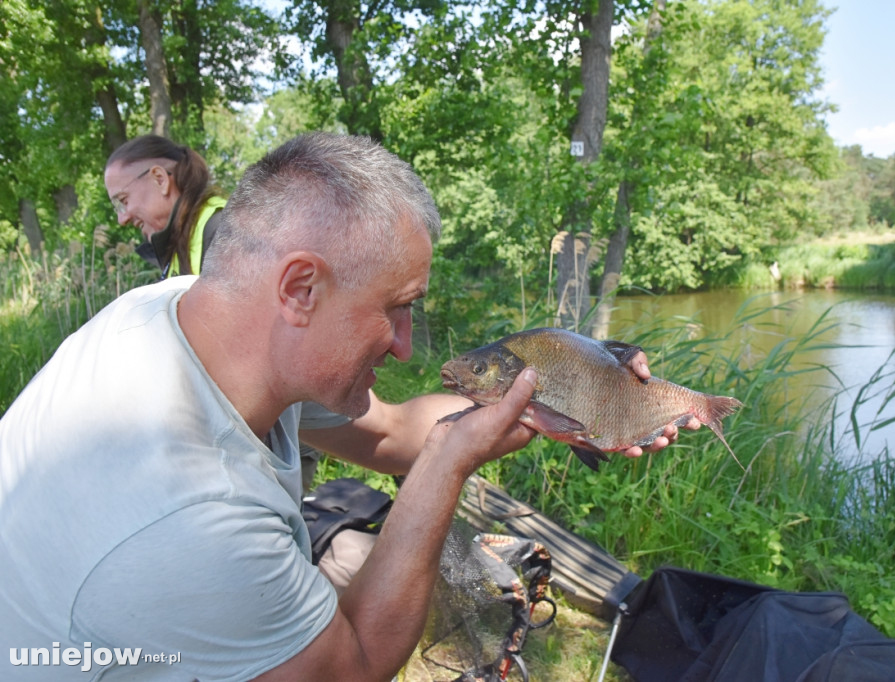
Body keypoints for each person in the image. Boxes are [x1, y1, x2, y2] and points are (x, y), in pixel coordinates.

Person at [0, 132, 677, 681]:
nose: (408, 347)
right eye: (398, 309)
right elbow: (351, 667)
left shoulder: (182, 313)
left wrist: (548, 396)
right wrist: (447, 465)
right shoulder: (194, 516)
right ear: (300, 289)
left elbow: (392, 430)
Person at [104, 134, 226, 278]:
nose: (122, 219)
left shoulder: (225, 231)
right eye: (117, 207)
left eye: (123, 201)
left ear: (160, 179)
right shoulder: (179, 244)